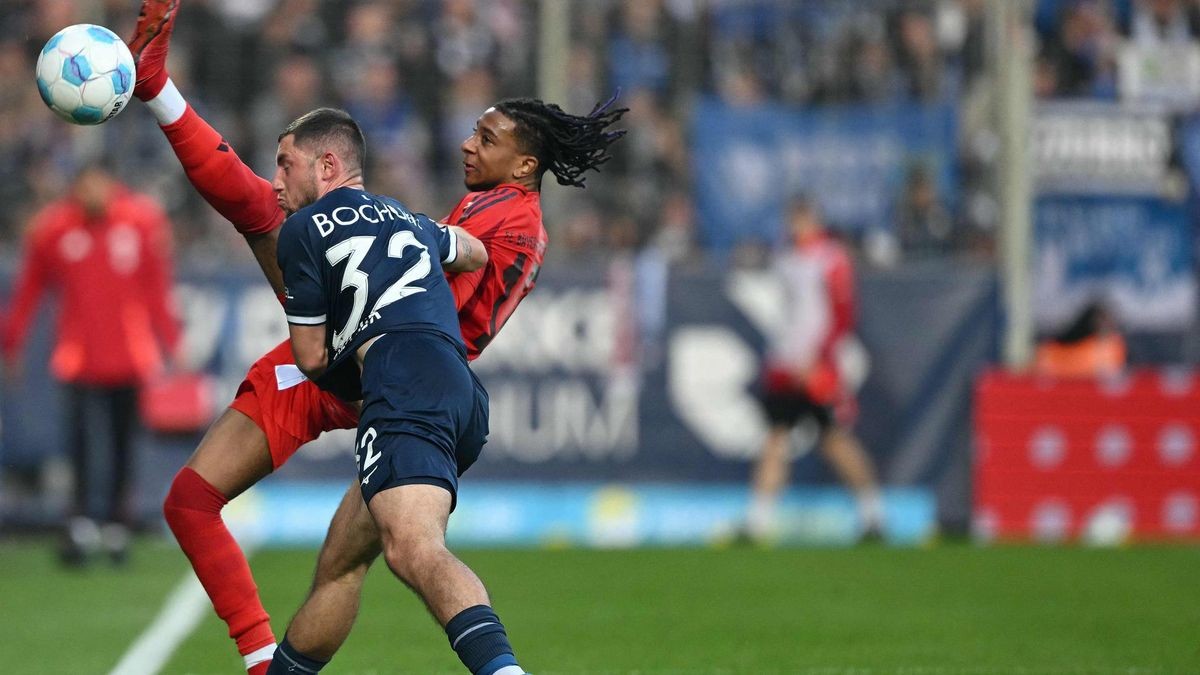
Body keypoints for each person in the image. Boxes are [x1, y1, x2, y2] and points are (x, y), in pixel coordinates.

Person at [125, 2, 626, 671]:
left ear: (525, 162)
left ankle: (156, 87)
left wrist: (376, 241)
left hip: (390, 375)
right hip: (372, 364)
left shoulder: (517, 224)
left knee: (413, 550)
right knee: (309, 551)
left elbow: (433, 298)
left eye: (487, 137)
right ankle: (267, 663)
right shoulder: (482, 207)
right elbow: (440, 259)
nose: (466, 143)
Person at [1, 162, 181, 566]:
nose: (92, 194)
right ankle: (81, 523)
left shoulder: (139, 223)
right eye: (85, 186)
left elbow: (156, 288)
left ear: (111, 185)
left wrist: (172, 342)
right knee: (80, 443)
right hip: (78, 358)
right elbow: (29, 290)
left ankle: (118, 522)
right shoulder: (54, 230)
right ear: (76, 189)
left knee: (121, 442)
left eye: (99, 185)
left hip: (129, 357)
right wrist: (13, 344)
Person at [745, 198, 885, 543]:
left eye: (802, 217)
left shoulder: (831, 258)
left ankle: (872, 516)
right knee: (775, 438)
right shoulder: (785, 258)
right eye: (792, 218)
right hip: (785, 365)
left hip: (817, 366)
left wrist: (820, 358)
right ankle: (758, 523)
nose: (796, 225)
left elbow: (842, 315)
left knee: (834, 440)